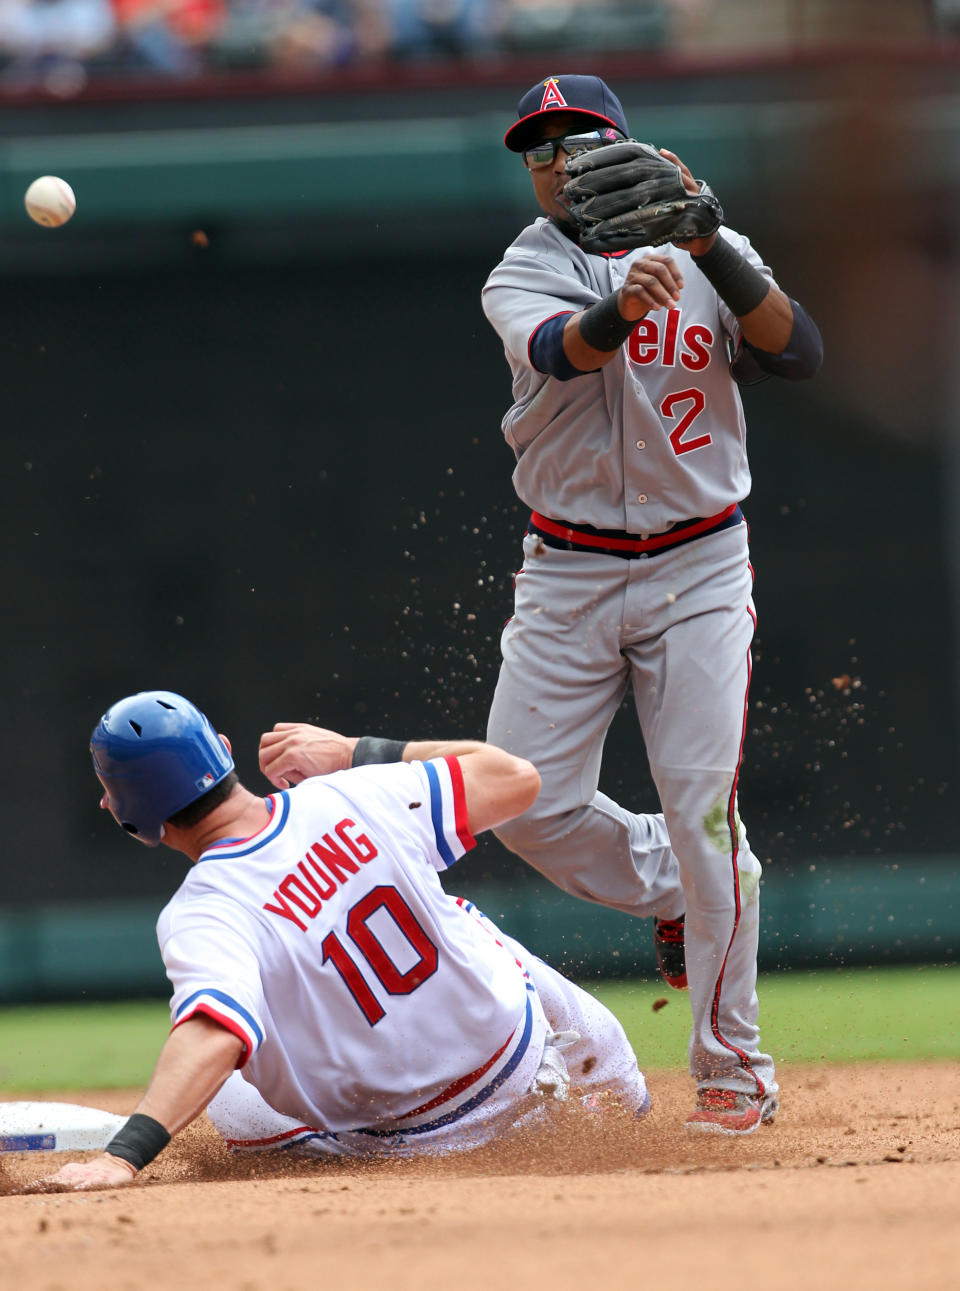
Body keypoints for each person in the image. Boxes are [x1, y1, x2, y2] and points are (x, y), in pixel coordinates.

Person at [481, 74, 823, 1135]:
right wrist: (620, 305)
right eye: (537, 148)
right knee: (520, 801)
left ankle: (732, 1068)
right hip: (568, 572)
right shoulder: (523, 268)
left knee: (706, 811)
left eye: (577, 141)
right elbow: (557, 350)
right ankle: (675, 885)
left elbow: (799, 350)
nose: (555, 160)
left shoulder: (709, 244)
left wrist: (712, 240)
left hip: (700, 569)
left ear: (623, 146)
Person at [41, 690, 649, 1191]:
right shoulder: (350, 791)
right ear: (223, 752)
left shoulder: (203, 913)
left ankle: (340, 1166)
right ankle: (623, 1096)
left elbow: (214, 1034)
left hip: (420, 1146)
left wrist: (123, 1155)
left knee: (229, 1080)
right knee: (463, 920)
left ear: (129, 817)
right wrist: (358, 753)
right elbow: (515, 776)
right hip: (525, 1065)